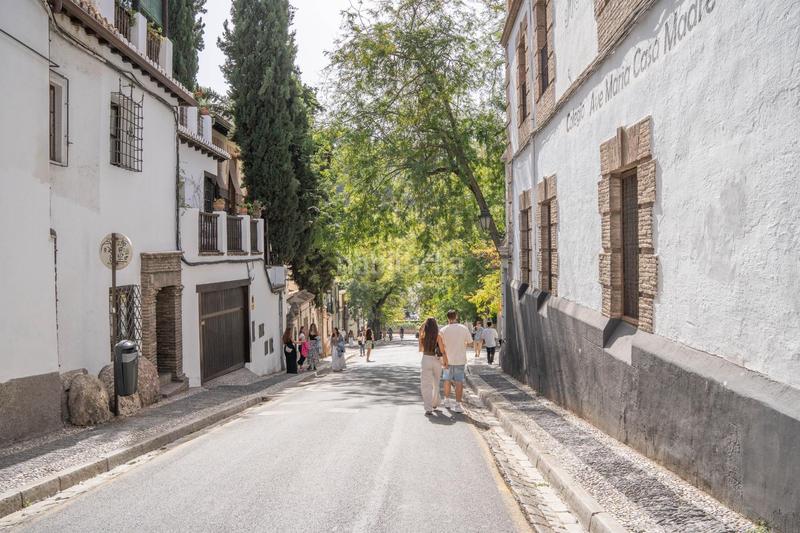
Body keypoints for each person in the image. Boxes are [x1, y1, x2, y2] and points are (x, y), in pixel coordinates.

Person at [440, 310, 473, 413]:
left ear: (447, 318)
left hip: (447, 360)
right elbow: (470, 343)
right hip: (460, 359)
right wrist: (463, 345)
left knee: (447, 380)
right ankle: (458, 405)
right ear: (456, 316)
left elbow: (441, 346)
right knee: (459, 382)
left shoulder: (443, 330)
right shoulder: (464, 328)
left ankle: (446, 400)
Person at [419, 317, 448, 415]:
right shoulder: (438, 335)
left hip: (426, 359)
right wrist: (446, 362)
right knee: (436, 383)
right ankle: (435, 403)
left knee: (426, 384)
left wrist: (424, 326)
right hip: (436, 360)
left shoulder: (423, 335)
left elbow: (421, 349)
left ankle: (428, 408)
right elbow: (442, 350)